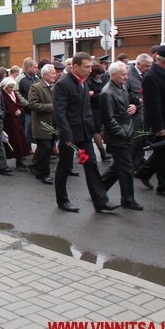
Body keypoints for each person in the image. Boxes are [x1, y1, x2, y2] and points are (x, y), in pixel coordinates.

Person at [53, 52, 119, 213]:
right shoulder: (63, 83)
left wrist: (94, 126)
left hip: (85, 133)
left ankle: (101, 201)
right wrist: (66, 136)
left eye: (90, 66)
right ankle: (62, 200)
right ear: (75, 67)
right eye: (86, 67)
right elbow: (59, 112)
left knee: (92, 166)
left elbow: (86, 108)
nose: (90, 70)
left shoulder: (84, 82)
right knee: (64, 167)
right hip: (70, 134)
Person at [135, 46, 165, 197]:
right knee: (163, 154)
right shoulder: (152, 77)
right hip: (162, 123)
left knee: (164, 151)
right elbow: (153, 105)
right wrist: (159, 127)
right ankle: (163, 186)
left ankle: (144, 172)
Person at [100, 62, 143, 210]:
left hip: (126, 132)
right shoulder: (107, 92)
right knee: (126, 168)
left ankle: (98, 189)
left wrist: (135, 106)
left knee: (120, 166)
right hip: (118, 137)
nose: (126, 78)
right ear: (113, 75)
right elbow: (109, 119)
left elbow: (130, 102)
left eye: (126, 74)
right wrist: (122, 134)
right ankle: (128, 199)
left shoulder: (122, 87)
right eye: (123, 75)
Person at [28, 64, 57, 184]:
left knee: (47, 149)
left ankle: (38, 169)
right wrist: (51, 107)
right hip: (41, 125)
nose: (55, 75)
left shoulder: (55, 87)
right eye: (52, 73)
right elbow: (32, 105)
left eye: (55, 73)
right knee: (45, 149)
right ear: (44, 75)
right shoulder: (36, 87)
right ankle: (44, 174)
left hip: (53, 124)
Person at [126, 53, 153, 171]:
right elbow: (124, 93)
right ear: (138, 64)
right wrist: (136, 102)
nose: (149, 68)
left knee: (142, 139)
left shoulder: (147, 75)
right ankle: (132, 165)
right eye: (146, 66)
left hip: (145, 113)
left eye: (150, 66)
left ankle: (139, 160)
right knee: (135, 140)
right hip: (134, 114)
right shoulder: (128, 75)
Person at [0, 77, 30, 172]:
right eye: (10, 87)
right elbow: (2, 109)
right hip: (7, 123)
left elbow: (19, 104)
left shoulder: (13, 93)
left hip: (16, 122)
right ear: (5, 87)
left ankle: (19, 160)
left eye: (12, 87)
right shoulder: (1, 95)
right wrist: (13, 112)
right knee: (6, 142)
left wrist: (19, 110)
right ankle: (3, 164)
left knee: (19, 141)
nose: (12, 89)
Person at [88, 64, 111, 161]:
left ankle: (106, 149)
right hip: (93, 109)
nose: (100, 76)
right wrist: (98, 95)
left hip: (100, 107)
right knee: (96, 130)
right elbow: (89, 95)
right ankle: (102, 152)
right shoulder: (89, 81)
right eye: (99, 74)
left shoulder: (101, 80)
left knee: (102, 128)